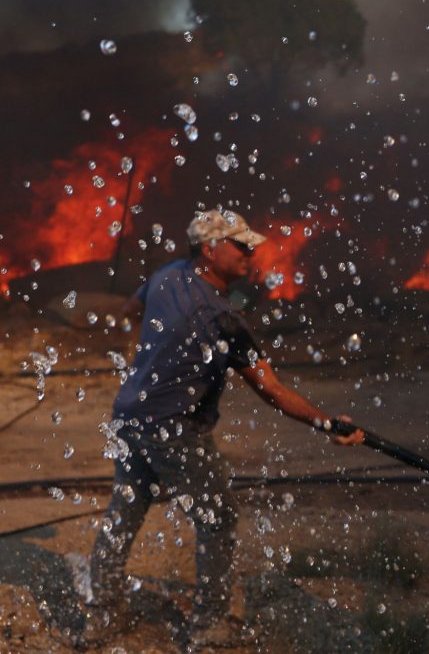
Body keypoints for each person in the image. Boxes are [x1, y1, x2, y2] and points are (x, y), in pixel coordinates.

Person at [80, 209, 364, 648]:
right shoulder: (222, 318)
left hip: (130, 414)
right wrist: (328, 423)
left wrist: (146, 356)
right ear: (210, 250)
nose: (251, 254)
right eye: (241, 246)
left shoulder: (167, 274)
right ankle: (209, 627)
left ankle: (103, 614)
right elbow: (270, 389)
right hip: (174, 429)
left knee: (126, 510)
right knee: (219, 519)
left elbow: (128, 311)